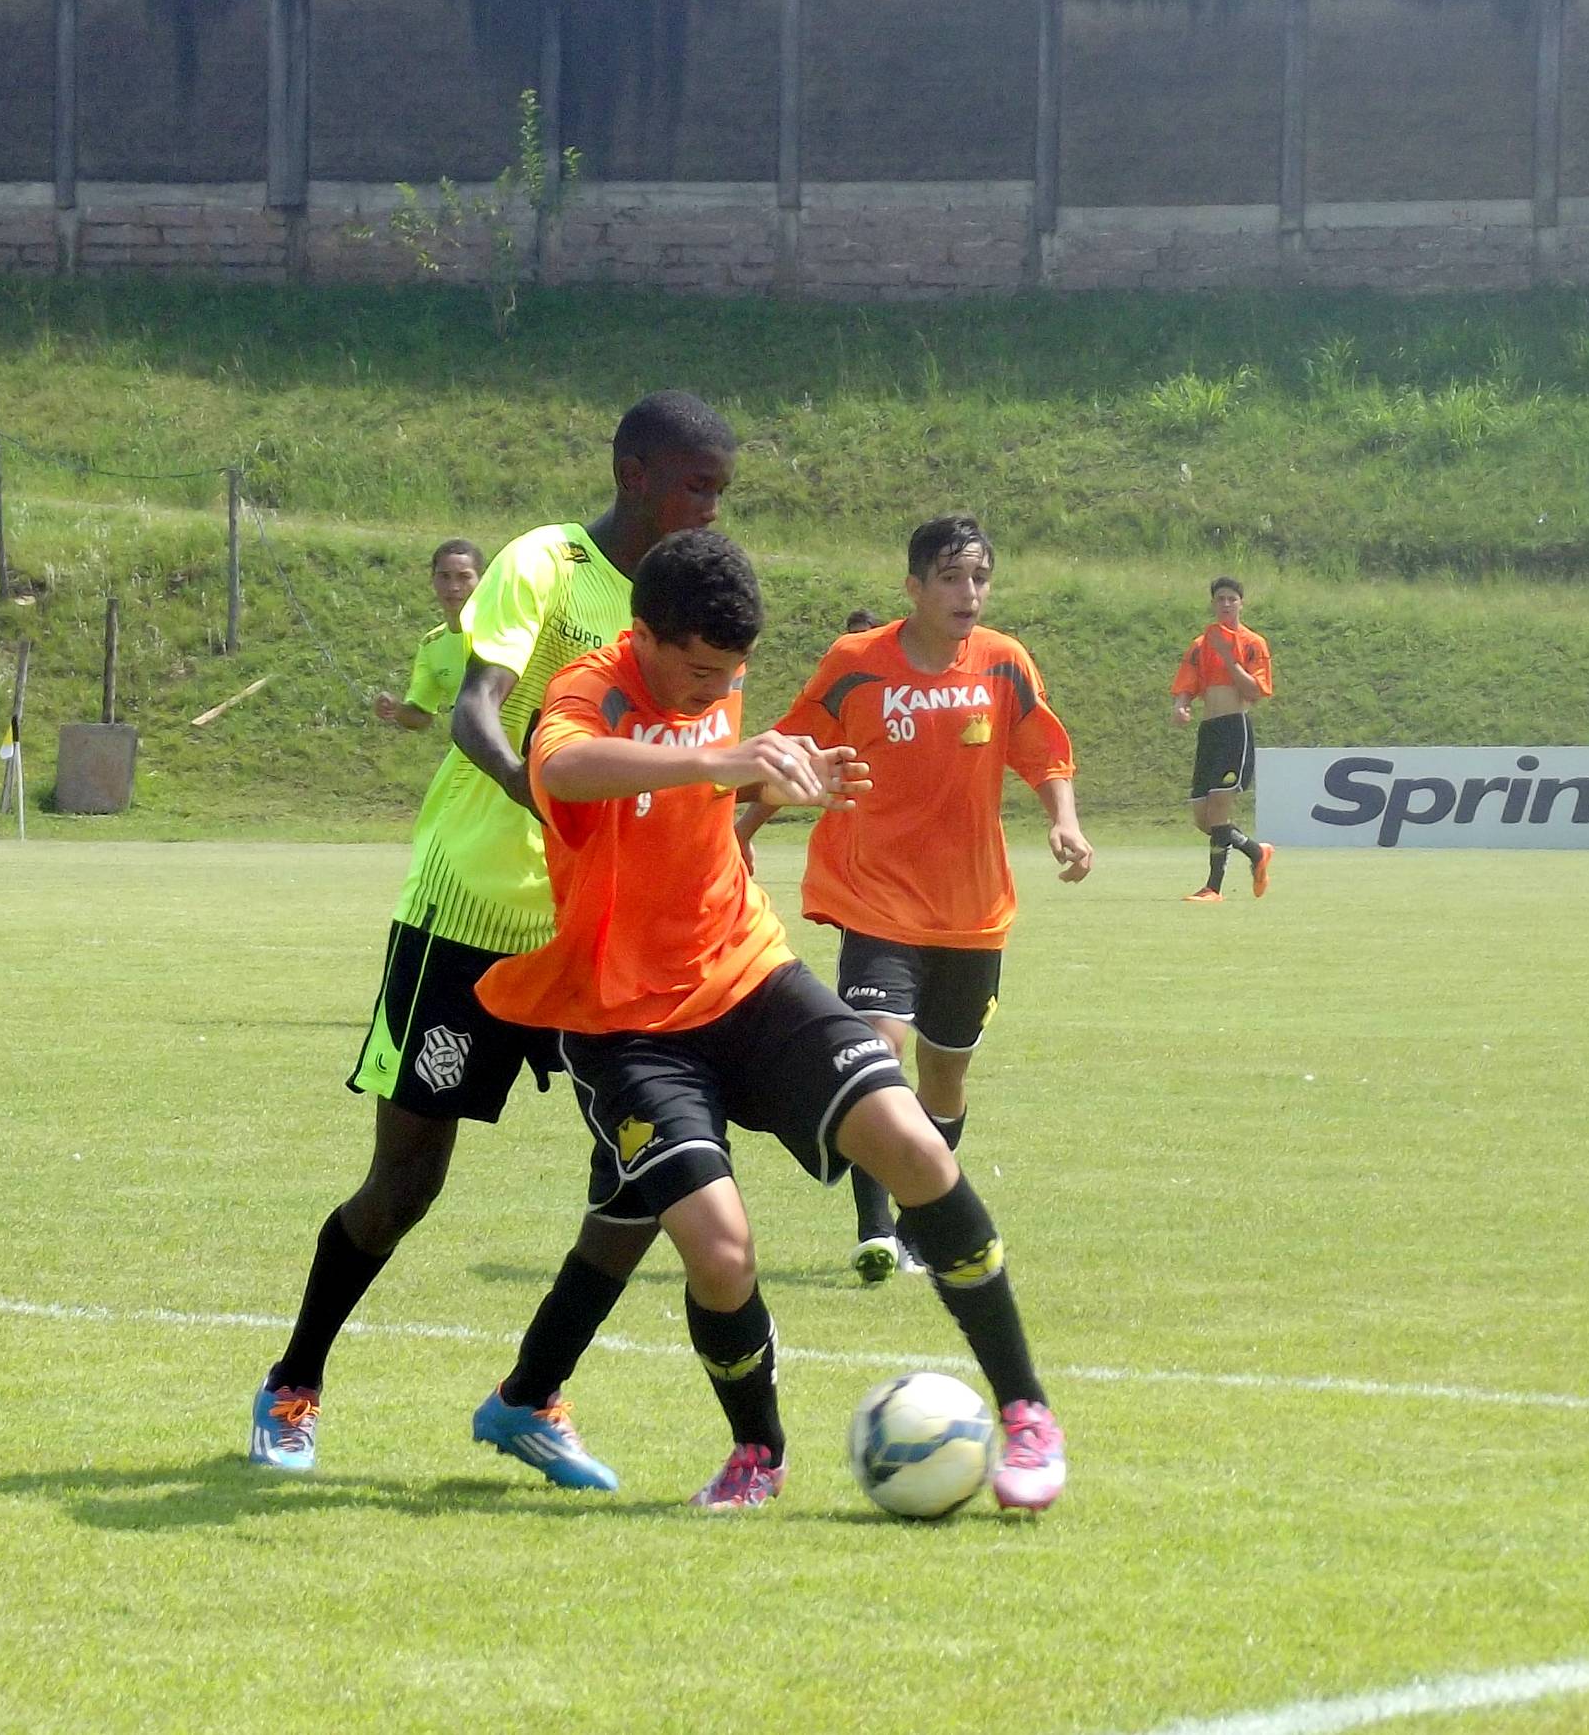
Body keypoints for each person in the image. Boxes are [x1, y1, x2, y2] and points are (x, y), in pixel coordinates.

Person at [477, 529, 1068, 1511]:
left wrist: (787, 783)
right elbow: (568, 772)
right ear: (648, 638)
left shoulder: (715, 689)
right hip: (625, 1018)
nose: (716, 690)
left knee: (916, 1149)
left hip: (747, 973)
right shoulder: (593, 688)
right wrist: (721, 754)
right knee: (717, 1247)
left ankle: (1027, 1415)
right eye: (700, 672)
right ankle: (760, 1450)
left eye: (731, 676)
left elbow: (721, 779)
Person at [249, 391, 740, 1481]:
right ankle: (294, 1380)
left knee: (646, 1176)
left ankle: (530, 1393)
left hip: (601, 935)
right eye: (694, 484)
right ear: (634, 471)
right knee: (405, 1184)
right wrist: (546, 796)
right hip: (472, 913)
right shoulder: (546, 565)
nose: (709, 507)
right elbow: (477, 707)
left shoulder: (690, 602)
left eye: (721, 490)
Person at [741, 515, 1091, 1285]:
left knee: (943, 1078)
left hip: (973, 910)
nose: (969, 593)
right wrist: (746, 819)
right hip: (878, 902)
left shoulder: (1004, 664)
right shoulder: (856, 662)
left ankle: (918, 1224)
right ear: (913, 587)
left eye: (979, 578)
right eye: (951, 578)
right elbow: (797, 745)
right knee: (874, 1052)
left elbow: (1043, 751)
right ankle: (875, 1232)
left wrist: (1064, 822)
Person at [1171, 576, 1273, 901]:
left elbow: (1255, 690)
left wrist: (1229, 658)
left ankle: (1213, 887)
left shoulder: (1253, 643)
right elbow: (1186, 684)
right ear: (1213, 604)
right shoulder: (1200, 645)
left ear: (1241, 603)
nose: (1226, 604)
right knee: (1204, 818)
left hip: (1234, 728)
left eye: (1231, 599)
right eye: (1220, 599)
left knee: (1219, 807)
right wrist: (1181, 706)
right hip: (1209, 731)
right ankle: (1256, 852)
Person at [370, 538, 486, 733]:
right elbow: (422, 715)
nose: (454, 587)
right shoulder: (432, 644)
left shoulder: (507, 630)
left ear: (482, 581)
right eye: (444, 576)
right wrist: (397, 710)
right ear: (432, 580)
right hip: (468, 753)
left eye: (464, 577)